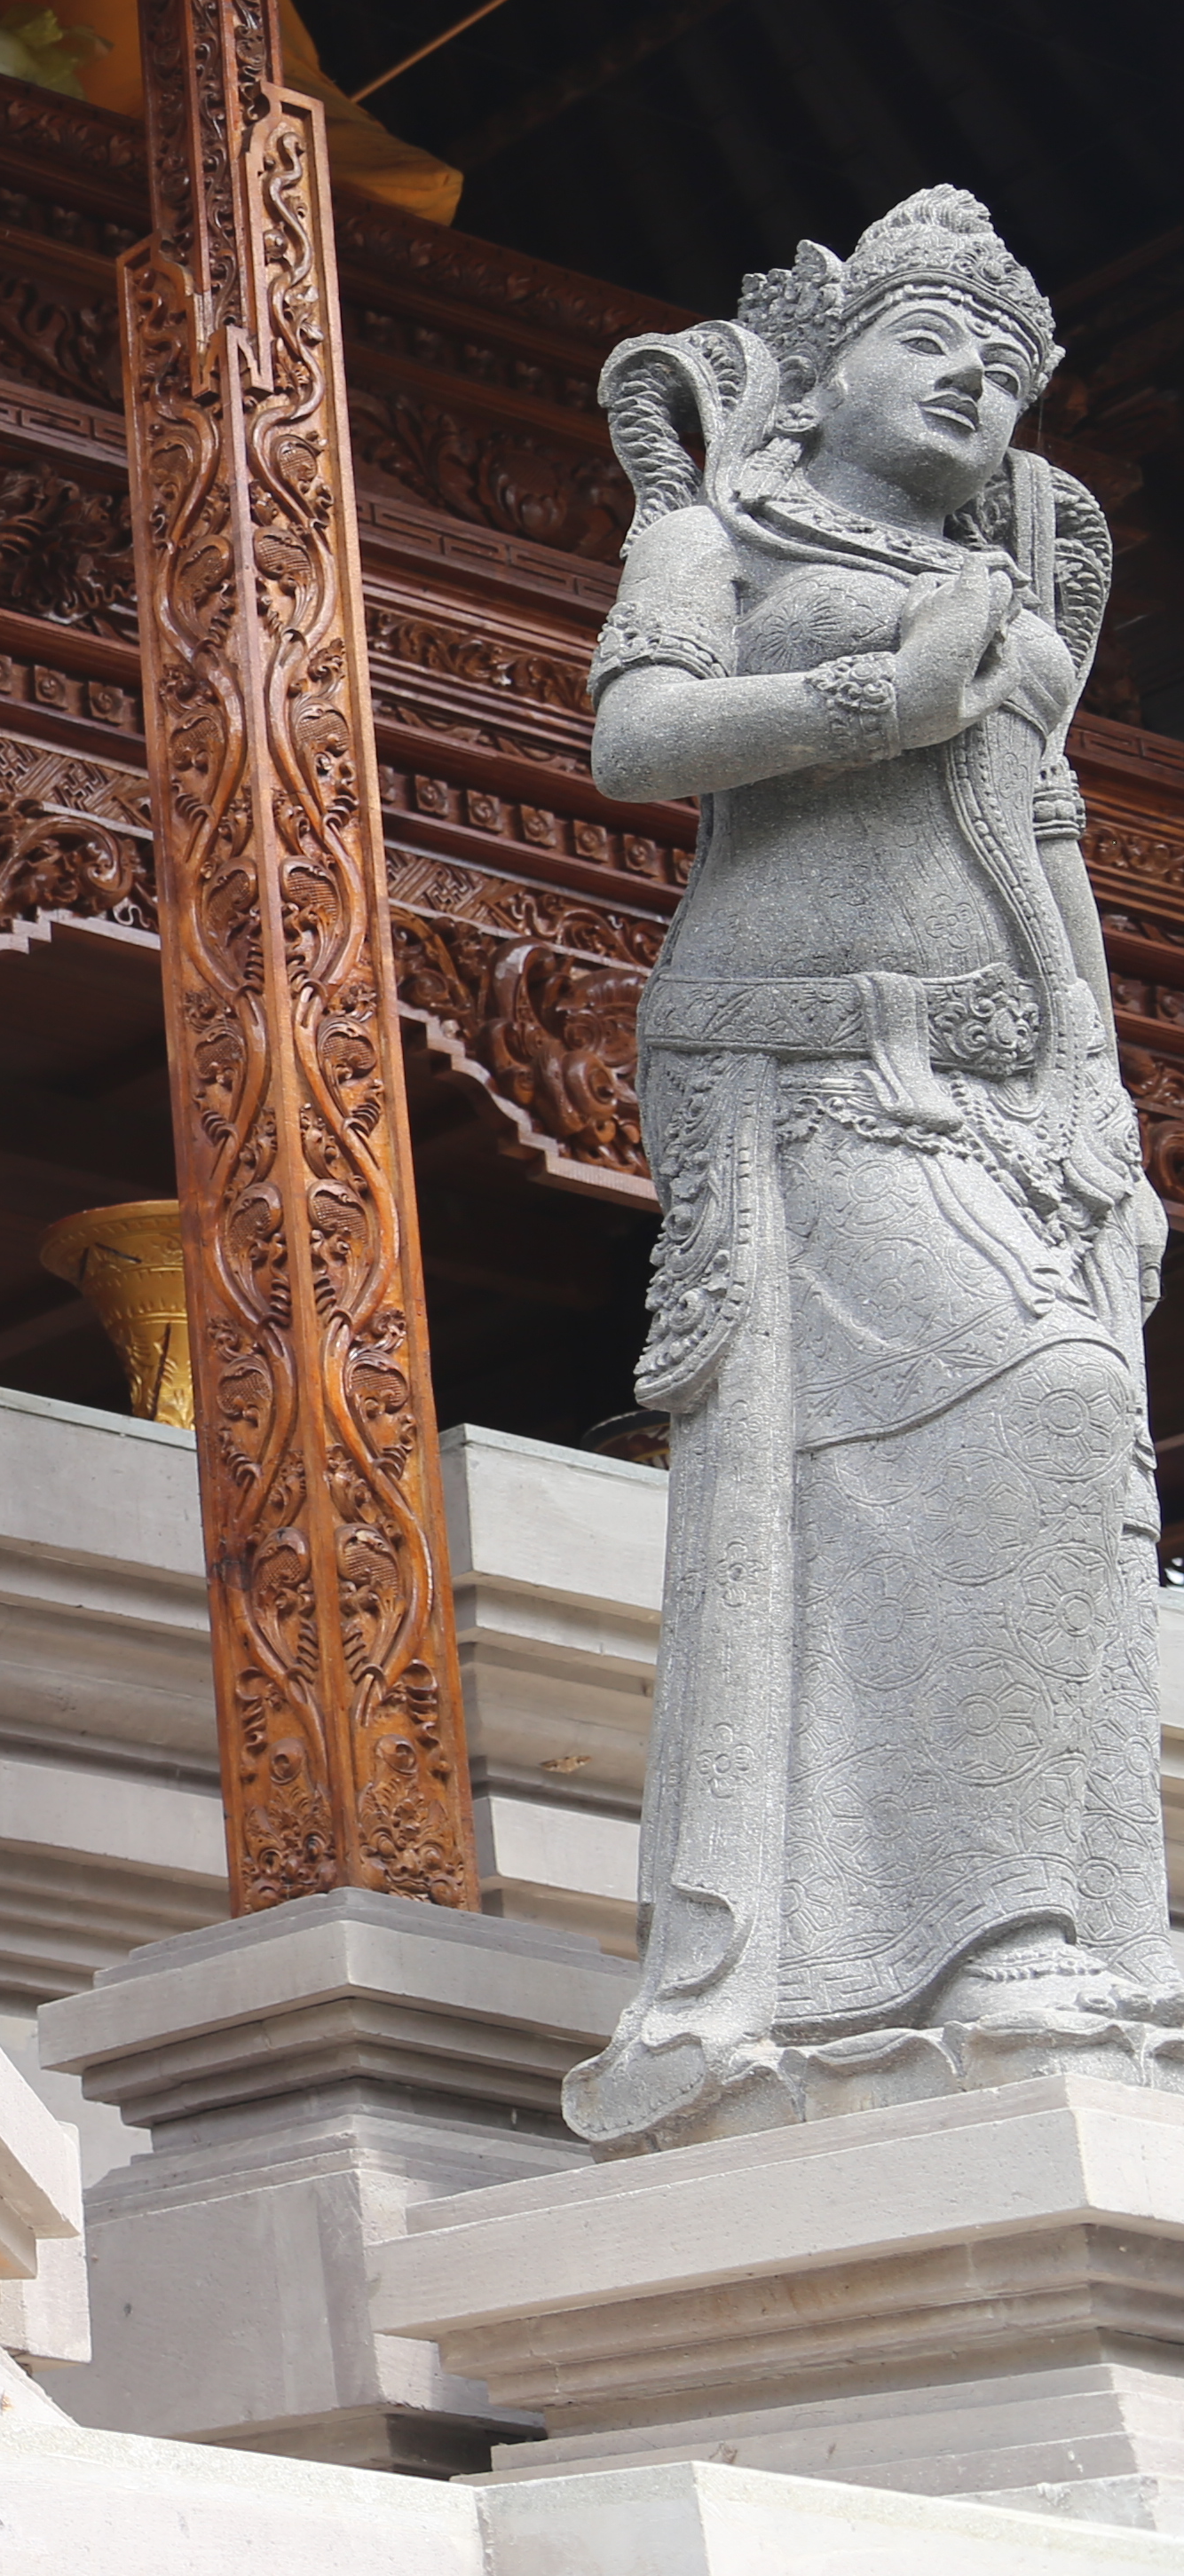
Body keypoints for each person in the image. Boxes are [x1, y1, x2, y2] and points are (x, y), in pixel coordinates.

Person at [570, 185, 1172, 2147]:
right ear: (825, 370)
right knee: (1051, 1410)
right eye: (936, 347)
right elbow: (641, 741)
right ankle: (978, 1940)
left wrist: (1105, 1098)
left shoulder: (1009, 588)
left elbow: (1051, 841)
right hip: (808, 1064)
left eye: (1006, 373)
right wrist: (874, 701)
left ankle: (1031, 1936)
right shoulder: (709, 527)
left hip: (1006, 1100)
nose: (976, 388)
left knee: (1071, 1480)